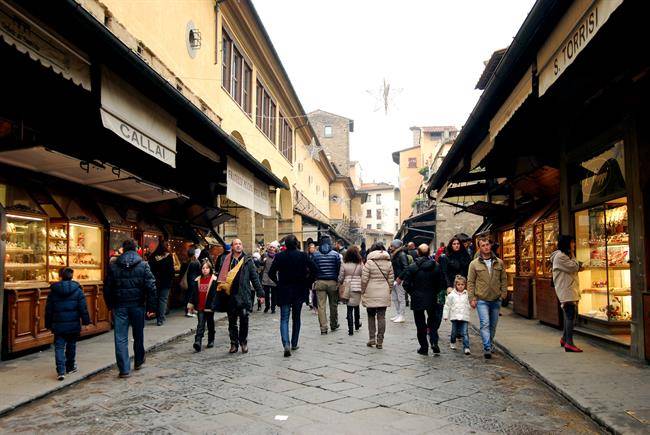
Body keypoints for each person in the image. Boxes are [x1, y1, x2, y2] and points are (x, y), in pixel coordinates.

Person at [104, 239, 157, 378]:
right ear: (136, 249)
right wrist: (151, 307)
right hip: (137, 305)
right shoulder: (143, 265)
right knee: (138, 334)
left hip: (120, 305)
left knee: (120, 337)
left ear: (123, 249)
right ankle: (138, 360)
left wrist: (110, 304)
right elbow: (151, 287)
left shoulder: (114, 266)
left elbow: (107, 287)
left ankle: (124, 368)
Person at [268, 234, 317, 357]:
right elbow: (315, 269)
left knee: (284, 318)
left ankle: (286, 344)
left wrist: (278, 283)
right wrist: (307, 282)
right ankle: (294, 343)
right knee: (296, 318)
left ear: (285, 245)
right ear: (296, 244)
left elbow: (271, 273)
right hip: (299, 290)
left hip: (284, 290)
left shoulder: (279, 256)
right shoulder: (303, 256)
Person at [216, 238, 265, 354]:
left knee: (244, 318)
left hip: (243, 295)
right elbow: (220, 277)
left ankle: (243, 342)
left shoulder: (248, 260)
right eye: (236, 244)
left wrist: (260, 294)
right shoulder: (225, 259)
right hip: (230, 295)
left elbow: (254, 278)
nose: (238, 246)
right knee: (232, 321)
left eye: (240, 244)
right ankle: (234, 343)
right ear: (232, 247)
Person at [45, 267, 91, 380]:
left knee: (59, 346)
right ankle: (70, 366)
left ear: (60, 276)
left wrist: (48, 324)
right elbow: (83, 308)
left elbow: (48, 310)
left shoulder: (53, 291)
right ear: (71, 276)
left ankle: (61, 370)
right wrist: (86, 321)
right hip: (73, 323)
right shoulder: (78, 290)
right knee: (71, 345)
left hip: (58, 323)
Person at [400, 244, 446, 356]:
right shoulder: (436, 266)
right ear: (429, 252)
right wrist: (435, 292)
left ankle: (424, 347)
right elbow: (442, 283)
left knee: (420, 324)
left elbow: (405, 284)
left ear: (418, 253)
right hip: (432, 297)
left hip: (418, 298)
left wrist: (413, 293)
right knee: (433, 322)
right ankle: (434, 341)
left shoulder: (412, 267)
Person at [467, 237, 507, 359]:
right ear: (480, 247)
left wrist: (503, 294)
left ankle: (489, 342)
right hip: (481, 299)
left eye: (487, 244)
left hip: (496, 298)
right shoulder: (474, 264)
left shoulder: (499, 262)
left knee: (493, 325)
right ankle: (487, 347)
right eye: (483, 245)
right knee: (485, 323)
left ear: (490, 246)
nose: (486, 247)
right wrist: (472, 298)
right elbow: (471, 282)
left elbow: (504, 279)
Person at [551, 235, 583, 353]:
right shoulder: (561, 257)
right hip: (566, 290)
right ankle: (569, 343)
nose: (574, 244)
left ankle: (565, 339)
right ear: (567, 244)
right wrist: (574, 257)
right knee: (570, 315)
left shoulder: (564, 256)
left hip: (568, 289)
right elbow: (574, 267)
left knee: (568, 315)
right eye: (572, 242)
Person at [361, 242, 394, 349]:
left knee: (371, 316)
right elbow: (391, 280)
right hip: (384, 291)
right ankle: (380, 341)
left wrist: (363, 290)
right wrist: (388, 290)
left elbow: (364, 279)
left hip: (370, 291)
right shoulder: (389, 263)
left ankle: (371, 339)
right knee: (381, 317)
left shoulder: (369, 263)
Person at [311, 236, 342, 334]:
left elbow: (313, 269)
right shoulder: (335, 255)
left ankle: (323, 328)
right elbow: (338, 268)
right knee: (333, 305)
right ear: (330, 243)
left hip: (320, 282)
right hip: (332, 282)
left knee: (321, 306)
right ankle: (333, 324)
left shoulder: (315, 255)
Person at [187, 259, 218, 352]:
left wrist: (214, 304)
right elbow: (194, 294)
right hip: (200, 307)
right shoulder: (197, 280)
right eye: (203, 268)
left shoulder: (214, 280)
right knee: (200, 324)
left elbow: (216, 294)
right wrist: (191, 305)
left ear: (210, 269)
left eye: (207, 268)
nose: (205, 270)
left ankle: (211, 340)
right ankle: (198, 341)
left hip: (209, 307)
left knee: (210, 324)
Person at [338, 245, 364, 335]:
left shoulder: (344, 263)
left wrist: (340, 283)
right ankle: (357, 324)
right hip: (357, 287)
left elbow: (341, 277)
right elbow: (363, 275)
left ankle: (350, 330)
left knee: (349, 308)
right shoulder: (360, 264)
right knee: (356, 306)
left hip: (347, 287)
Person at [443, 275, 472, 355]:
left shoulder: (467, 294)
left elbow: (469, 304)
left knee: (465, 333)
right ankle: (452, 341)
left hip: (464, 316)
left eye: (462, 285)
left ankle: (466, 347)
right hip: (455, 316)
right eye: (458, 285)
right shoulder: (451, 295)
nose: (460, 286)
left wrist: (471, 307)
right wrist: (445, 315)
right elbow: (447, 305)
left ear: (465, 285)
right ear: (455, 285)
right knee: (454, 332)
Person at [148, 240, 175, 326]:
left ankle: (156, 315)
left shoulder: (153, 256)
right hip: (165, 282)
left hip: (155, 281)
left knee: (156, 299)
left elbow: (149, 269)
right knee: (163, 299)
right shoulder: (168, 256)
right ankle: (160, 318)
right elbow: (171, 271)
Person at [389, 239, 408, 323]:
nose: (390, 247)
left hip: (399, 279)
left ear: (396, 246)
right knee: (395, 298)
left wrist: (400, 277)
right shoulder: (395, 254)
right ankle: (398, 314)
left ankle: (402, 315)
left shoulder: (401, 255)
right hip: (395, 278)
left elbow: (406, 267)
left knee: (401, 298)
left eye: (392, 246)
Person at [182, 247, 202, 318]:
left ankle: (187, 310)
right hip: (194, 281)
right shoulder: (196, 262)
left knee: (187, 296)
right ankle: (189, 311)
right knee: (192, 297)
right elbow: (200, 271)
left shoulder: (186, 262)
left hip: (187, 281)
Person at [261, 243, 278, 314]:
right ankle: (267, 306)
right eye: (270, 247)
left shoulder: (277, 257)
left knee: (274, 294)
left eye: (273, 247)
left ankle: (273, 307)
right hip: (266, 276)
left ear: (275, 249)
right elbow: (260, 264)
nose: (271, 249)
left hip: (274, 277)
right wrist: (263, 261)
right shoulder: (265, 255)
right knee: (266, 294)